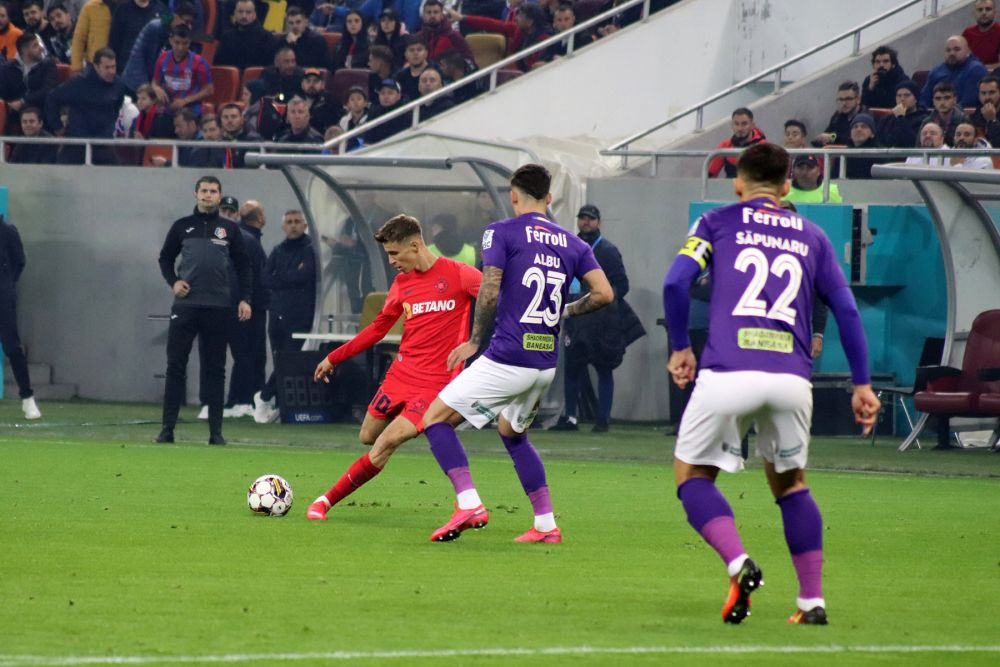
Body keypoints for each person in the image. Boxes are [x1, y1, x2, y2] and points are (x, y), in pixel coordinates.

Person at [662, 142, 880, 626]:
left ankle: (739, 563)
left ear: (738, 184)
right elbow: (845, 309)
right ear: (786, 187)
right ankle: (811, 602)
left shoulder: (715, 222)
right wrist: (861, 384)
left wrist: (681, 347)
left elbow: (676, 283)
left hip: (727, 371)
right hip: (790, 379)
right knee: (791, 485)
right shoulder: (813, 236)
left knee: (692, 475)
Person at [419, 163, 614, 544]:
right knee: (512, 431)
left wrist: (475, 341)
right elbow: (605, 293)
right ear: (549, 198)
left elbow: (489, 289)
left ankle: (469, 503)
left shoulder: (500, 232)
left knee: (435, 419)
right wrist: (568, 311)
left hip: (509, 357)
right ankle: (546, 525)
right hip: (544, 365)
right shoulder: (575, 243)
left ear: (513, 195)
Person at [305, 215, 483, 521]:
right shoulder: (402, 284)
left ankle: (323, 502)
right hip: (400, 375)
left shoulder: (460, 275)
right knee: (368, 436)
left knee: (387, 441)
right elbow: (377, 329)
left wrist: (480, 342)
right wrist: (335, 356)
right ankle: (424, 427)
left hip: (435, 383)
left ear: (415, 245)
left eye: (394, 254)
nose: (391, 261)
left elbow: (498, 301)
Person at [156, 176, 253, 445]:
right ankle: (167, 430)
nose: (208, 195)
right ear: (195, 194)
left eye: (213, 191)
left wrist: (245, 298)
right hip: (185, 307)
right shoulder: (181, 227)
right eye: (204, 191)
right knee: (176, 366)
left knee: (215, 369)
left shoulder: (229, 230)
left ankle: (215, 433)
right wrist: (173, 281)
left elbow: (244, 266)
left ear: (220, 196)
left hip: (218, 307)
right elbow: (165, 258)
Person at [551, 204, 645, 433]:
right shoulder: (570, 247)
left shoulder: (608, 251)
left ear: (599, 222)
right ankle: (571, 418)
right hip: (575, 318)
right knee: (572, 368)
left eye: (590, 219)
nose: (586, 222)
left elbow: (622, 285)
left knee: (604, 368)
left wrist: (601, 304)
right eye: (582, 218)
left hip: (601, 322)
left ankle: (603, 419)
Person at [253, 209, 316, 424]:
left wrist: (281, 277)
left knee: (288, 359)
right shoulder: (278, 250)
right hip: (277, 312)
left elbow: (304, 275)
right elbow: (265, 278)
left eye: (297, 221)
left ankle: (263, 396)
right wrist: (289, 277)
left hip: (300, 314)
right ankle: (280, 406)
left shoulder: (310, 249)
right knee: (279, 357)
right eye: (289, 222)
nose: (293, 225)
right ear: (283, 226)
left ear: (305, 225)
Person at [224, 199, 270, 417]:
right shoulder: (249, 241)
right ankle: (247, 401)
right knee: (251, 354)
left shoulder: (240, 238)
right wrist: (249, 300)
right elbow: (255, 275)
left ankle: (239, 400)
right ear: (260, 218)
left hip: (238, 303)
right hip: (250, 306)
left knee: (244, 354)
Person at [44, 46, 126, 164]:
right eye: (107, 67)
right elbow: (52, 98)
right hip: (77, 143)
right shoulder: (79, 83)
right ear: (96, 66)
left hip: (103, 143)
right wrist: (57, 127)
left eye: (113, 67)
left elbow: (117, 107)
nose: (111, 71)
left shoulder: (119, 85)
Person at [0, 212, 41, 420]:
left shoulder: (7, 231)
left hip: (3, 299)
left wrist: (7, 284)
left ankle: (27, 398)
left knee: (11, 347)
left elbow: (19, 261)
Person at [449, 4, 550, 71]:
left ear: (530, 21)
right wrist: (464, 18)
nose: (516, 18)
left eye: (520, 16)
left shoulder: (545, 39)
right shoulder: (517, 30)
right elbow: (491, 23)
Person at [121, 3, 196, 93]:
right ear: (176, 16)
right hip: (134, 82)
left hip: (154, 85)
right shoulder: (155, 27)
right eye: (186, 21)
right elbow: (140, 57)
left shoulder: (179, 35)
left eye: (191, 24)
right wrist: (146, 87)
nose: (188, 26)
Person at [0, 32, 58, 133]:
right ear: (24, 50)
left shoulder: (48, 64)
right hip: (14, 112)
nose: (41, 48)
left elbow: (48, 89)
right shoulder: (7, 68)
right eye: (35, 46)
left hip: (41, 107)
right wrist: (9, 105)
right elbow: (2, 93)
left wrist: (23, 102)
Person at [150, 24, 213, 116]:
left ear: (190, 42)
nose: (180, 47)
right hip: (168, 108)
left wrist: (185, 101)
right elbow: (155, 82)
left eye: (184, 43)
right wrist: (156, 88)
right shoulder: (162, 58)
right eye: (177, 42)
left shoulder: (200, 62)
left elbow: (209, 90)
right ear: (171, 41)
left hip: (191, 111)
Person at [919, 35, 988, 108]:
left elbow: (968, 103)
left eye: (957, 49)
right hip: (935, 116)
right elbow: (924, 100)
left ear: (968, 51)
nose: (952, 53)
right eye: (948, 50)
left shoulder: (976, 70)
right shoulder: (936, 71)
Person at [107, 0, 163, 74]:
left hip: (149, 70)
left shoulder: (160, 9)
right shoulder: (123, 8)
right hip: (124, 68)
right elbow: (113, 40)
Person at [216, 0, 276, 70]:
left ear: (254, 15)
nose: (244, 16)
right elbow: (219, 66)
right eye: (240, 12)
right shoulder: (226, 37)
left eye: (248, 12)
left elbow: (270, 67)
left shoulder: (266, 38)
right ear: (235, 13)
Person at [708, 108, 765, 178]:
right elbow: (710, 175)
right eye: (736, 124)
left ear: (752, 125)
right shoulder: (725, 146)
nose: (740, 128)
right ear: (732, 125)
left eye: (744, 124)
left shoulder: (763, 147)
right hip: (730, 187)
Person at [876, 80, 928, 148]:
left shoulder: (924, 120)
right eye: (899, 95)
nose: (902, 99)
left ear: (916, 99)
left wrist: (900, 118)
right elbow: (878, 141)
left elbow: (913, 143)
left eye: (907, 95)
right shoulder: (886, 119)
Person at [813, 81, 863, 147]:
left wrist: (832, 137)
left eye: (848, 99)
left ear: (858, 99)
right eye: (841, 99)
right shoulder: (837, 115)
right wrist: (821, 139)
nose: (844, 103)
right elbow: (829, 133)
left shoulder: (864, 116)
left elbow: (852, 139)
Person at [69, 0, 112, 73]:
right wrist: (77, 67)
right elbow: (79, 39)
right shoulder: (90, 7)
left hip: (122, 63)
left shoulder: (127, 6)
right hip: (94, 64)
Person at [861, 45, 907, 109]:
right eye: (877, 62)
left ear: (893, 64)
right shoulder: (869, 80)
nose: (881, 65)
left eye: (885, 61)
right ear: (873, 65)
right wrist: (870, 88)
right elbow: (864, 105)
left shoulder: (903, 81)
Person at [925, 81, 970, 145]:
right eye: (938, 99)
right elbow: (919, 147)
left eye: (947, 98)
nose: (942, 102)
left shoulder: (964, 120)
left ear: (955, 100)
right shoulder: (927, 122)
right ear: (933, 101)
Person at [364, 77, 407, 144]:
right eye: (382, 93)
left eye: (390, 93)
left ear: (398, 96)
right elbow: (368, 137)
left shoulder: (405, 112)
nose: (386, 96)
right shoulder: (373, 112)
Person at [219, 101, 262, 168]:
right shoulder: (217, 142)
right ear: (221, 121)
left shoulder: (253, 140)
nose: (229, 120)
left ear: (242, 119)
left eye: (234, 117)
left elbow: (251, 166)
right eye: (225, 117)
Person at [844, 112, 882, 179]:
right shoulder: (843, 154)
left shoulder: (880, 154)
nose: (859, 129)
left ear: (872, 134)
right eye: (855, 127)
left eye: (864, 127)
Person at [962, 0, 1000, 67]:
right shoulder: (967, 33)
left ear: (995, 12)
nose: (984, 13)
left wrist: (979, 70)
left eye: (988, 9)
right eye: (980, 10)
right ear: (974, 13)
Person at [393, 34, 429, 102]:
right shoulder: (399, 76)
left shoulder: (436, 70)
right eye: (411, 50)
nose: (415, 53)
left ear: (426, 53)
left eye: (419, 50)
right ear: (405, 54)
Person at [970, 74, 1000, 146]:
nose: (987, 97)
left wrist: (992, 120)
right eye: (983, 93)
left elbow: (997, 144)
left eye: (992, 92)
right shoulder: (976, 115)